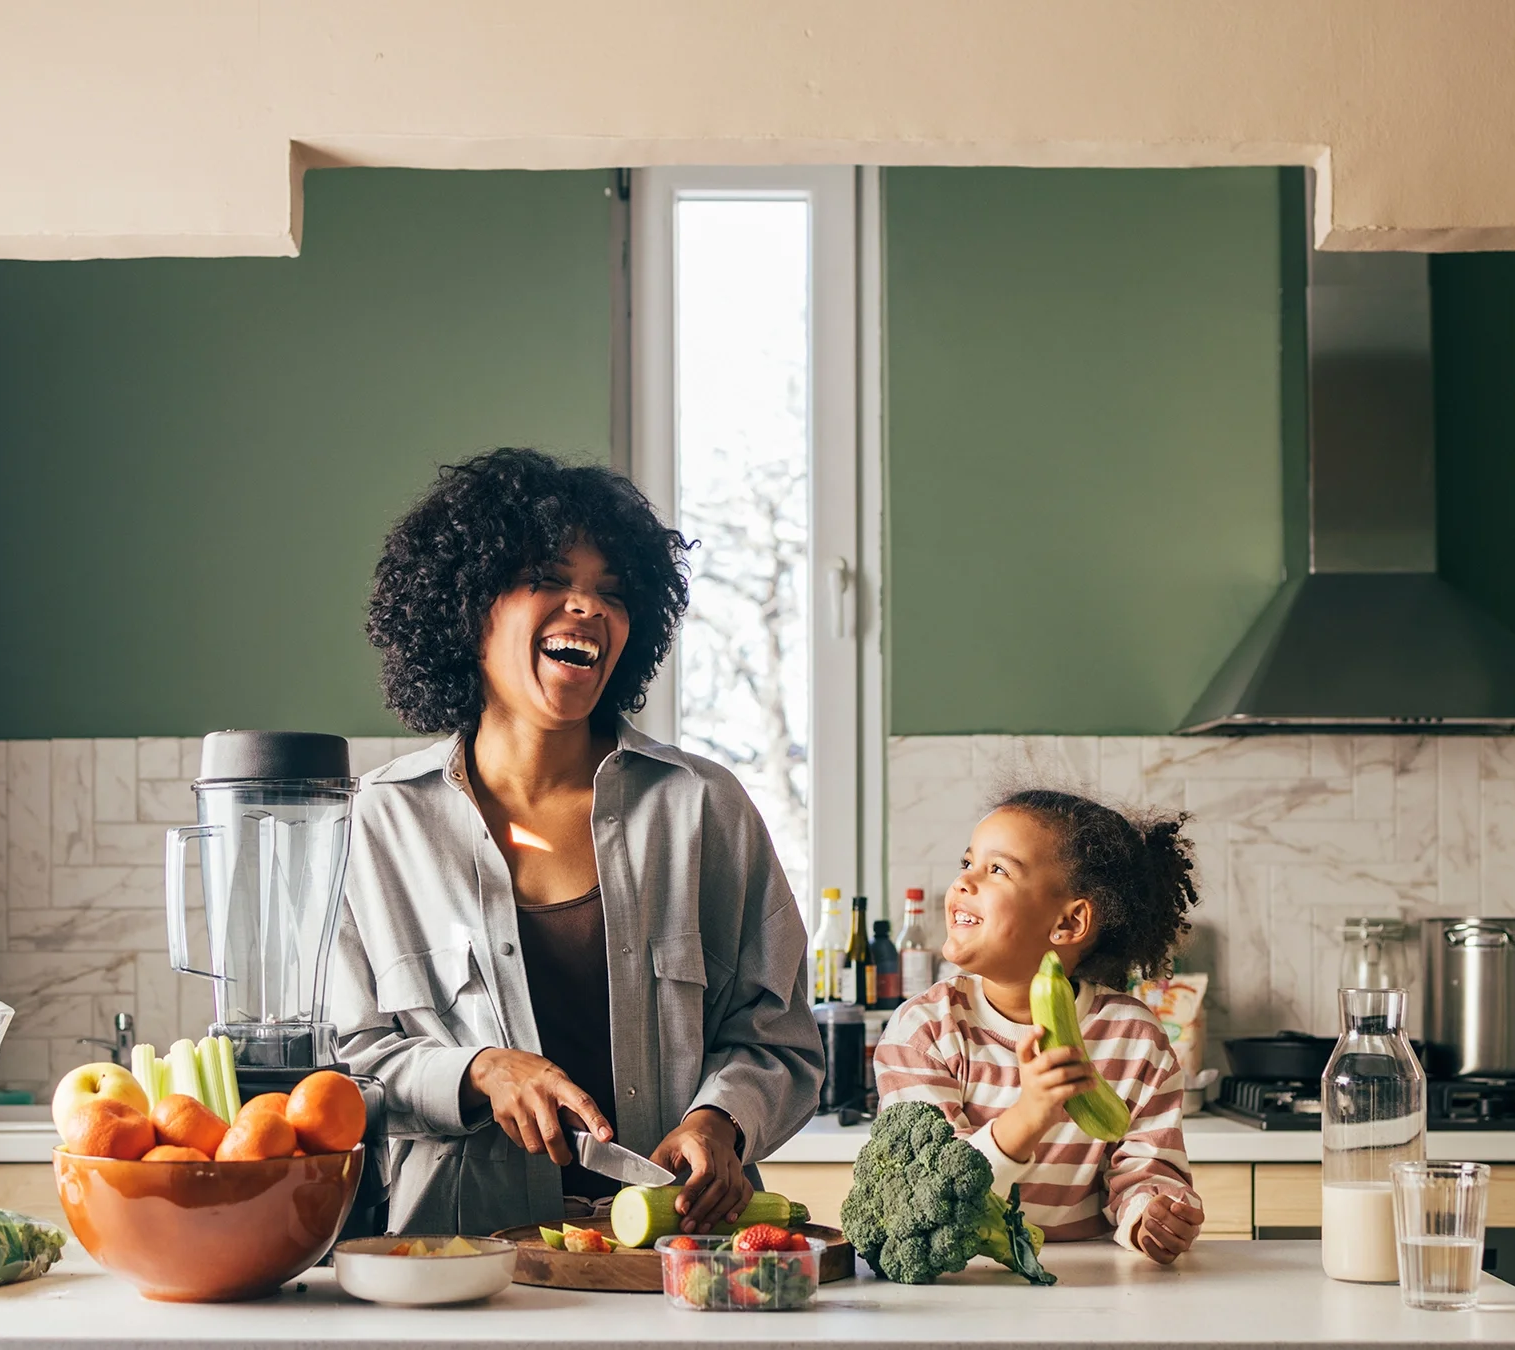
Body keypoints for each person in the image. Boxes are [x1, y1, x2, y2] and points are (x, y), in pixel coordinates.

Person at [328, 448, 824, 1237]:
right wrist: (477, 1071)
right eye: (551, 580)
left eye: (612, 592)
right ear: (469, 607)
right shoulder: (377, 825)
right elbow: (343, 1063)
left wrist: (720, 1123)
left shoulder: (702, 809)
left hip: (679, 1264)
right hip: (461, 1271)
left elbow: (780, 1039)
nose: (588, 608)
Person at [874, 788, 1206, 1264]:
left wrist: (1152, 1213)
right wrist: (1030, 1114)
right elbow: (929, 1194)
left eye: (997, 870)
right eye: (967, 863)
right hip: (962, 1281)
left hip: (1087, 1286)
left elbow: (1147, 1167)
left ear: (1069, 923)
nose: (964, 882)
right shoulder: (924, 1030)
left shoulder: (1135, 1040)